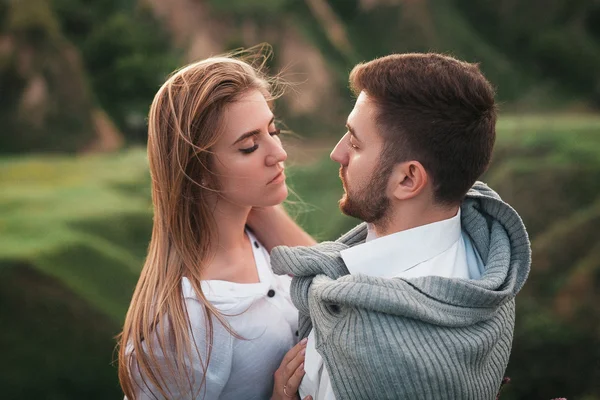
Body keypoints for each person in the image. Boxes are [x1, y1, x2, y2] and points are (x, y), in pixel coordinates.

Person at [264, 53, 531, 399]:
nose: (337, 153)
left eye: (356, 143)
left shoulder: (366, 348)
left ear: (408, 179)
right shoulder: (486, 249)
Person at [117, 51, 316, 400]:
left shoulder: (260, 231)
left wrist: (258, 204)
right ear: (198, 170)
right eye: (250, 146)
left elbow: (333, 287)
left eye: (274, 130)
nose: (279, 152)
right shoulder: (184, 326)